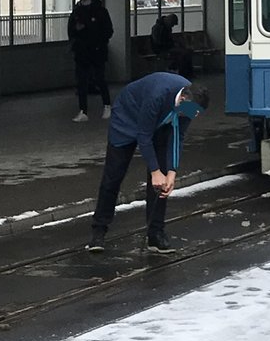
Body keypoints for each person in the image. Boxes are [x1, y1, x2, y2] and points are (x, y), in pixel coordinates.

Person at [85, 73, 209, 253]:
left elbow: (178, 136)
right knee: (114, 175)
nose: (194, 116)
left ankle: (155, 233)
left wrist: (171, 172)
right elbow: (144, 136)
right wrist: (155, 171)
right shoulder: (157, 95)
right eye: (193, 112)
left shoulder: (190, 104)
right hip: (127, 117)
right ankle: (98, 230)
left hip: (162, 124)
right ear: (183, 98)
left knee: (161, 184)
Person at [69, 0, 114, 122]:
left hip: (97, 50)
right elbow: (71, 30)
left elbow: (108, 31)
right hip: (82, 52)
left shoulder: (101, 11)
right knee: (82, 82)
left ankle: (107, 106)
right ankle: (83, 111)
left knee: (100, 78)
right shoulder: (77, 12)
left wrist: (98, 42)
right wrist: (77, 35)